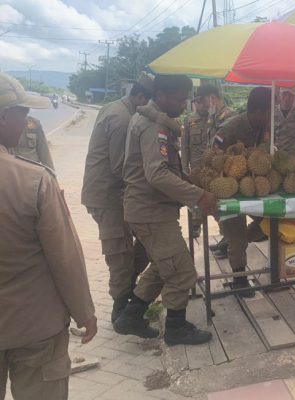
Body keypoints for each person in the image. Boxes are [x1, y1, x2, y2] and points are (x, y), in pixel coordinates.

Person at [0, 71, 97, 400]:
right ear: (2, 117)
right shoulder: (34, 181)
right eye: (21, 114)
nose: (26, 121)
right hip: (35, 327)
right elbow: (65, 257)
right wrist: (85, 312)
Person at [114, 74, 219, 346]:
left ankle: (131, 316)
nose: (184, 104)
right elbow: (157, 175)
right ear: (160, 96)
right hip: (150, 211)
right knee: (182, 271)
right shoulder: (152, 127)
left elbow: (167, 170)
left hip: (152, 209)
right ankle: (176, 328)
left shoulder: (159, 122)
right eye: (179, 98)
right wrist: (198, 196)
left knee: (165, 266)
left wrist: (189, 182)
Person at [81, 72, 153, 324]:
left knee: (144, 242)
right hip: (107, 196)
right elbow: (120, 166)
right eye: (150, 103)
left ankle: (128, 296)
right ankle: (122, 313)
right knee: (120, 252)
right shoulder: (122, 119)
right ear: (141, 96)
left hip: (118, 193)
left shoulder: (120, 109)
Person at [211, 87, 272, 296]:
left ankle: (234, 243)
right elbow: (214, 159)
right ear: (258, 111)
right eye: (268, 112)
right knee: (236, 237)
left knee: (272, 220)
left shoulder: (263, 126)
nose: (270, 117)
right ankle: (239, 280)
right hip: (228, 190)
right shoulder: (229, 128)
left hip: (253, 187)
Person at [182, 84, 235, 245]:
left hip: (220, 173)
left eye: (204, 101)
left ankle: (227, 239)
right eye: (198, 101)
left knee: (220, 209)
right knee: (198, 205)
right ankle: (197, 229)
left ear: (211, 99)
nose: (201, 105)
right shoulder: (192, 120)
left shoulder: (225, 117)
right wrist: (186, 169)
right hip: (200, 171)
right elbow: (185, 147)